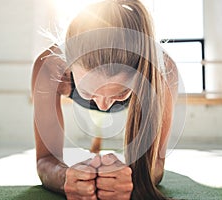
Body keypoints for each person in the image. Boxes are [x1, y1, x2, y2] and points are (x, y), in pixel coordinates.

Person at [31, 0, 178, 199]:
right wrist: (66, 177)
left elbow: (157, 164)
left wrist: (133, 179)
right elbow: (45, 159)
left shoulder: (163, 73)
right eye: (88, 91)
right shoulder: (50, 67)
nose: (103, 105)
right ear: (69, 64)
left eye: (119, 94)